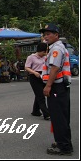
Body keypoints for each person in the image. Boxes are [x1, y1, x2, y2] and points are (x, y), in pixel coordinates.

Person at [40, 23, 73, 155]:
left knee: (58, 117)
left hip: (56, 87)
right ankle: (63, 142)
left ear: (56, 35)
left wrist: (48, 85)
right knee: (62, 117)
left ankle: (64, 147)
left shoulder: (56, 49)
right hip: (60, 87)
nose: (46, 37)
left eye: (48, 34)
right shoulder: (57, 47)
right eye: (44, 34)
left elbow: (54, 68)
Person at [25, 42, 50, 120]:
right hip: (34, 77)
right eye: (43, 52)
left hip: (44, 76)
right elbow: (27, 67)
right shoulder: (31, 57)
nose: (44, 53)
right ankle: (47, 114)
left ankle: (35, 111)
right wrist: (34, 72)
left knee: (39, 94)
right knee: (41, 96)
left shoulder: (45, 57)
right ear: (39, 51)